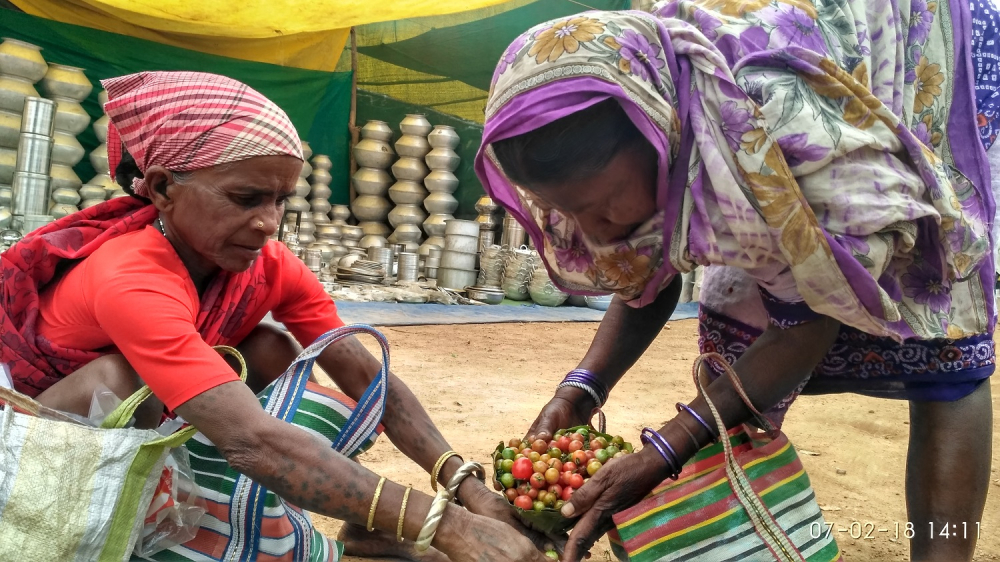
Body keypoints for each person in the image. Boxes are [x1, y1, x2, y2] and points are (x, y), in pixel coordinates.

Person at [475, 1, 999, 561]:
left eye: (601, 205)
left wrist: (667, 450)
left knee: (944, 344)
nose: (590, 231)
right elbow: (649, 266)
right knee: (736, 344)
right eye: (566, 210)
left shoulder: (776, 123)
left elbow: (809, 319)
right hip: (748, 144)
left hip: (917, 52)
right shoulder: (656, 124)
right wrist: (581, 388)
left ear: (661, 133)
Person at [0, 71, 552, 562]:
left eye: (281, 200)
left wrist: (469, 488)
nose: (269, 224)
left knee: (271, 349)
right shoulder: (132, 276)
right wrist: (449, 527)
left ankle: (356, 525)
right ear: (165, 187)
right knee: (122, 379)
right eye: (246, 199)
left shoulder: (265, 265)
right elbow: (251, 440)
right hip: (42, 449)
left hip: (160, 425)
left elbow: (367, 379)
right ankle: (117, 528)